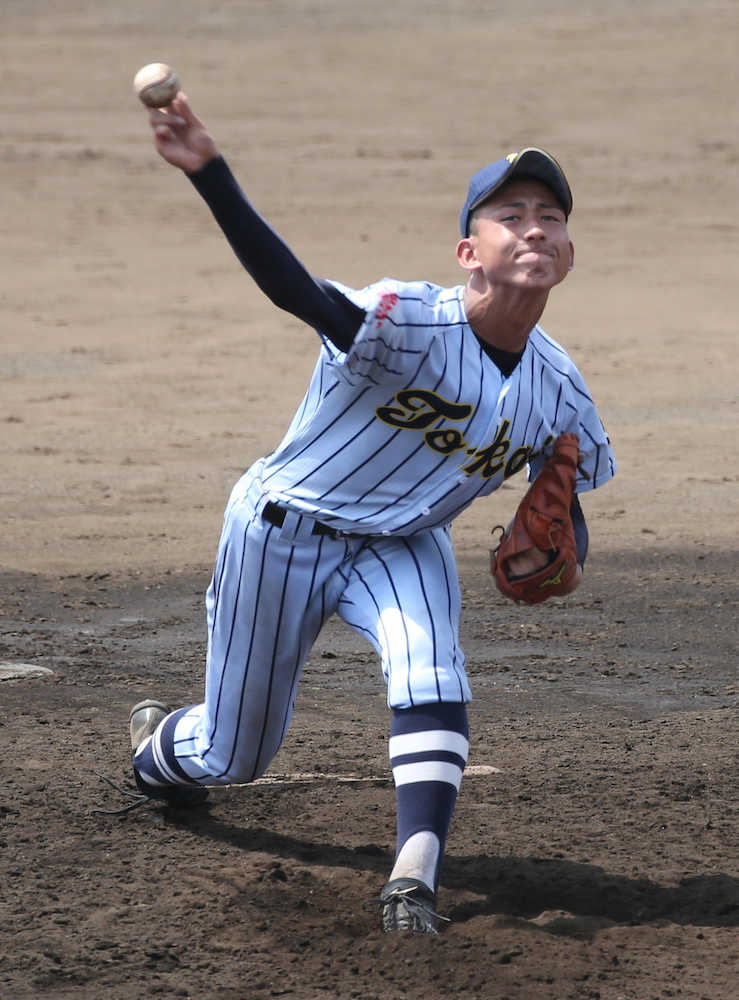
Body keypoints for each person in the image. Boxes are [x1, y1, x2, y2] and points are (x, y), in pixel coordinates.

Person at [127, 92, 616, 934]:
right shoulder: (405, 320)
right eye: (511, 215)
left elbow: (566, 500)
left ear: (567, 253)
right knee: (233, 755)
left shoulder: (559, 388)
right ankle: (157, 749)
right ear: (470, 250)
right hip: (283, 530)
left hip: (402, 543)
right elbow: (293, 290)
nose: (534, 228)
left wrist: (564, 535)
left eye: (550, 217)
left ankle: (413, 875)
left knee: (432, 668)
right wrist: (210, 174)